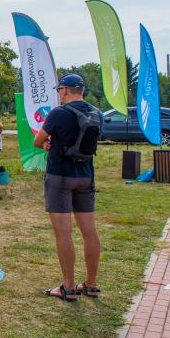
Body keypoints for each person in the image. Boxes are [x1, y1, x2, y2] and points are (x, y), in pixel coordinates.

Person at [32, 74, 102, 302]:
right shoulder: (96, 113)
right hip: (86, 176)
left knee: (63, 232)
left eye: (59, 90)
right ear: (82, 90)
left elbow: (38, 140)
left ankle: (68, 287)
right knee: (89, 231)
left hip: (60, 176)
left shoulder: (58, 113)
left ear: (64, 90)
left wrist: (46, 143)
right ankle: (91, 284)